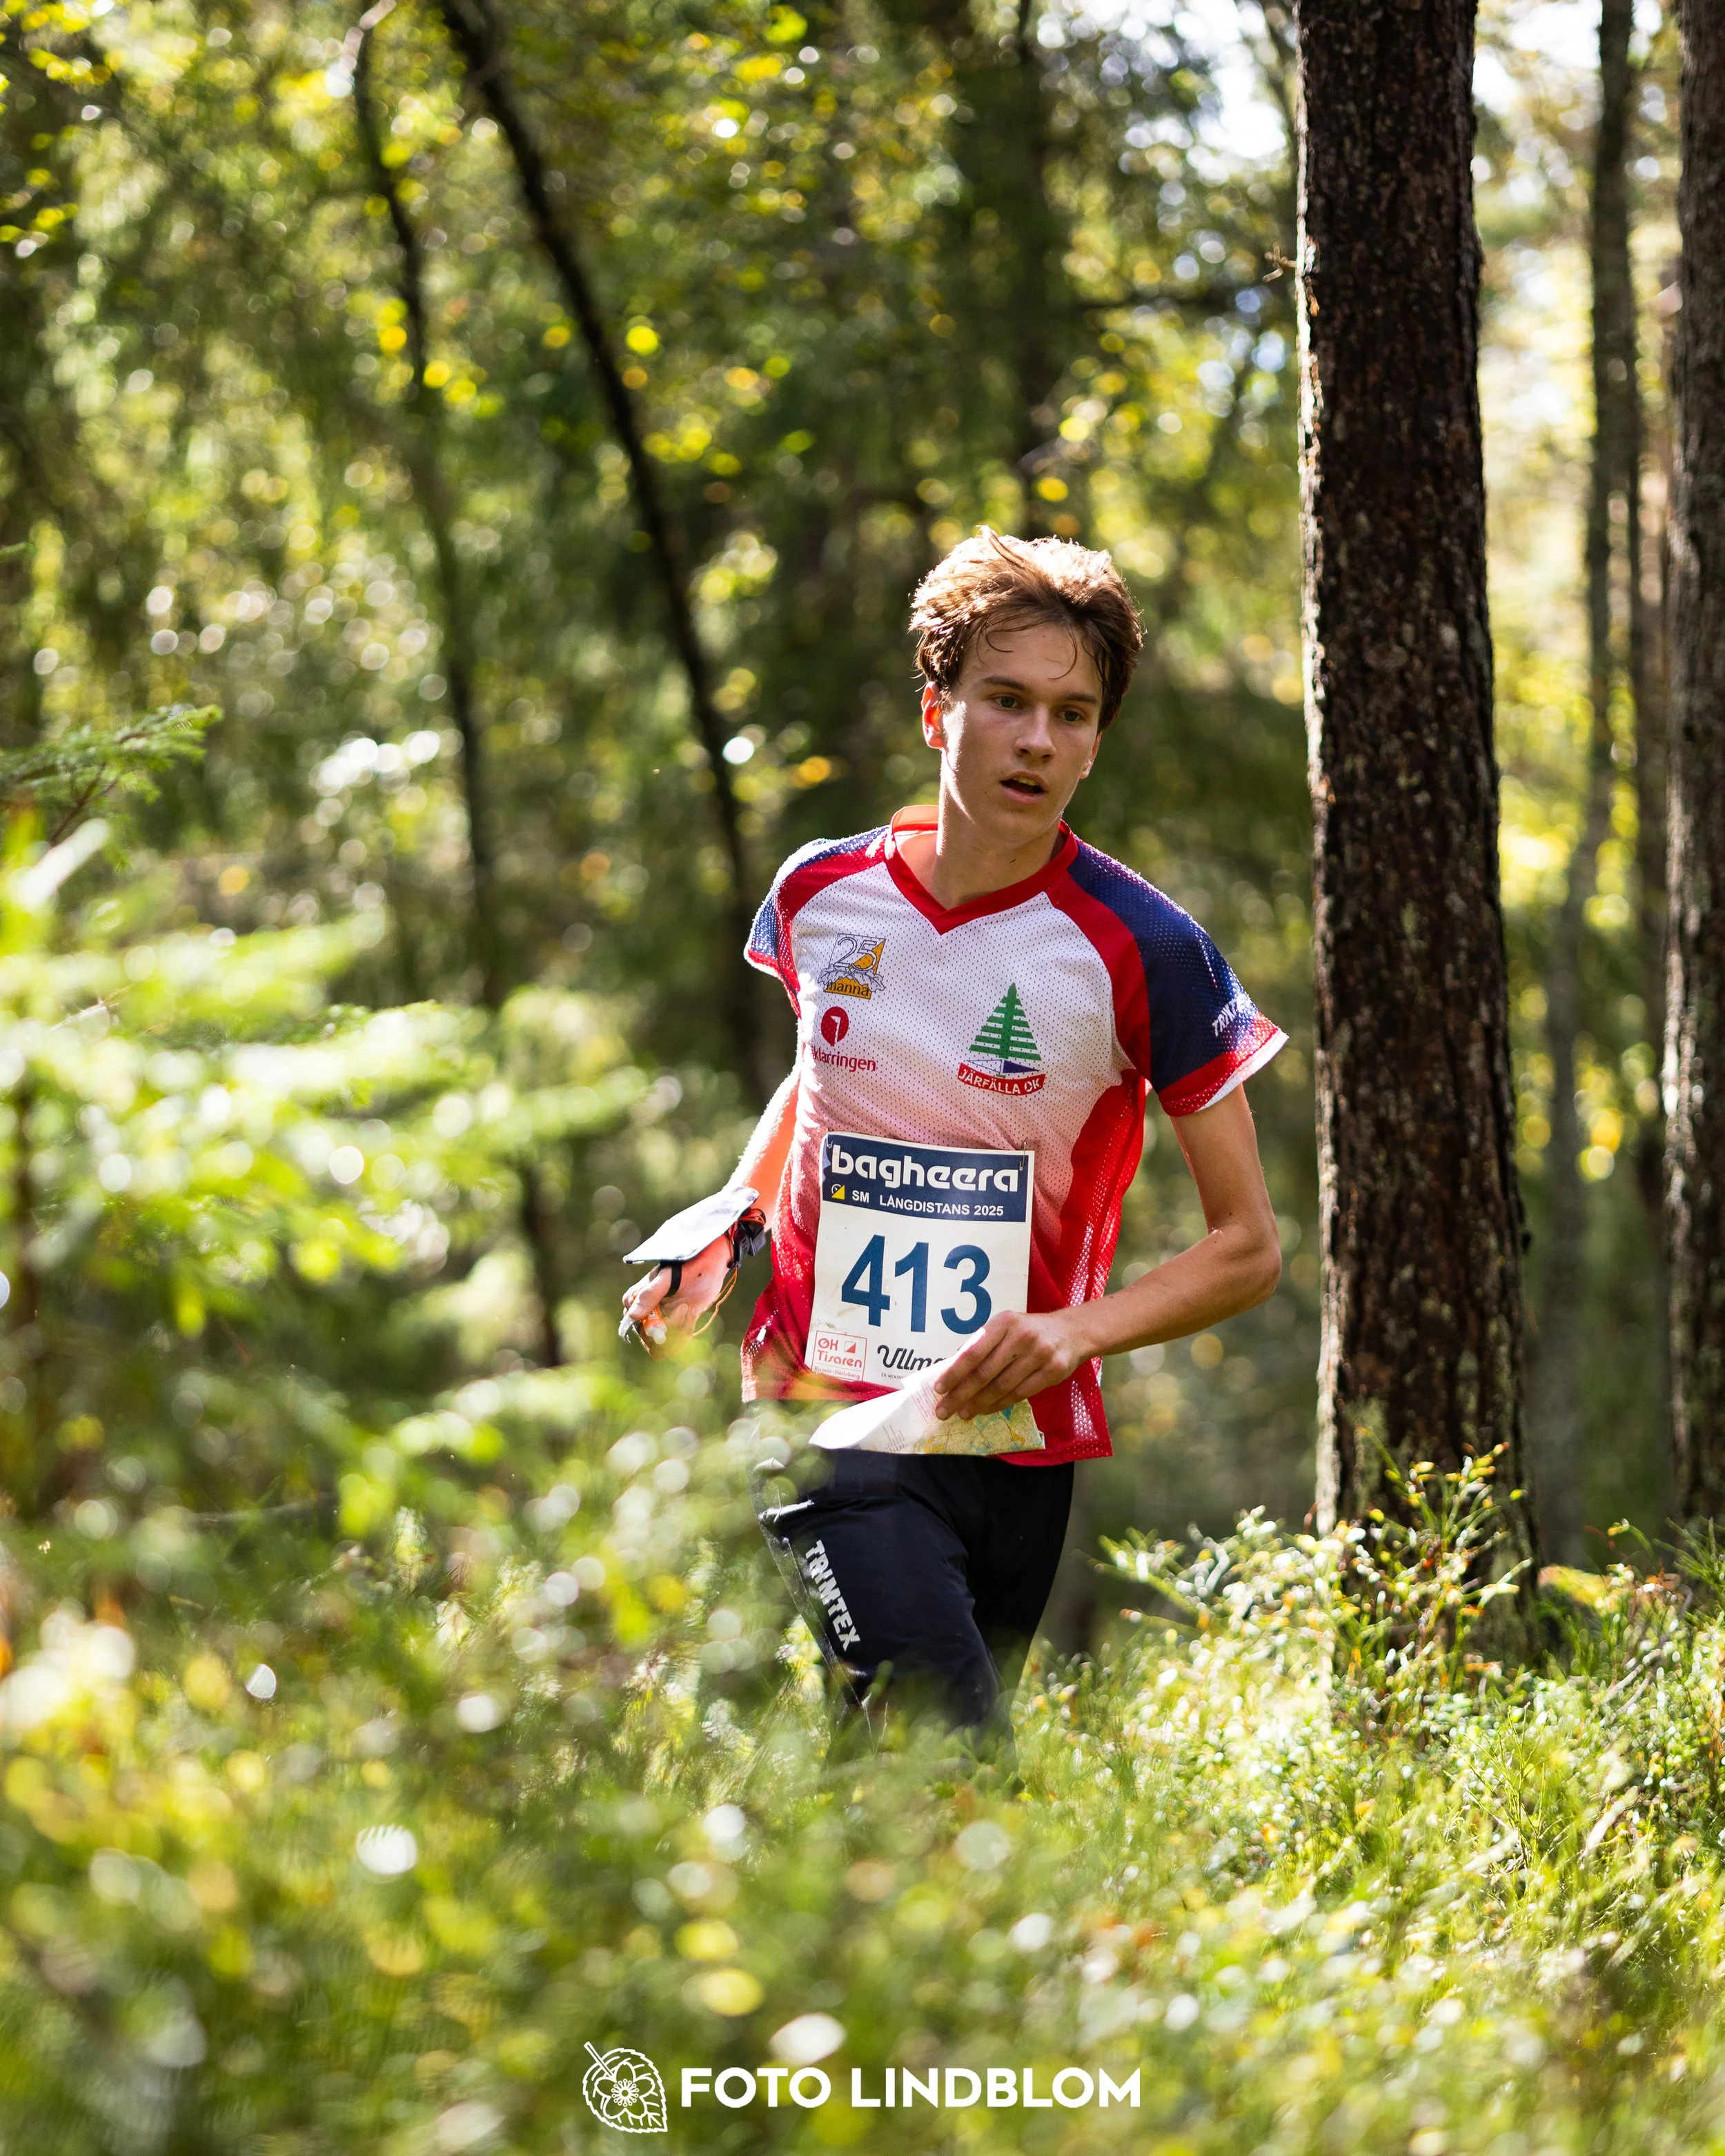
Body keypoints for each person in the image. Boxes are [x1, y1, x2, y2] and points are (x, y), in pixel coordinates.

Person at [622, 528, 1285, 1737]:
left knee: (897, 1802)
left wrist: (1073, 1332)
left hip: (1012, 1443)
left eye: (1074, 714)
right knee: (950, 1748)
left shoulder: (1147, 950)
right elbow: (820, 1074)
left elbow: (1248, 1247)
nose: (1039, 739)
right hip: (818, 1408)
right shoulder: (823, 895)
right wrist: (737, 1209)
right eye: (1008, 701)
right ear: (940, 714)